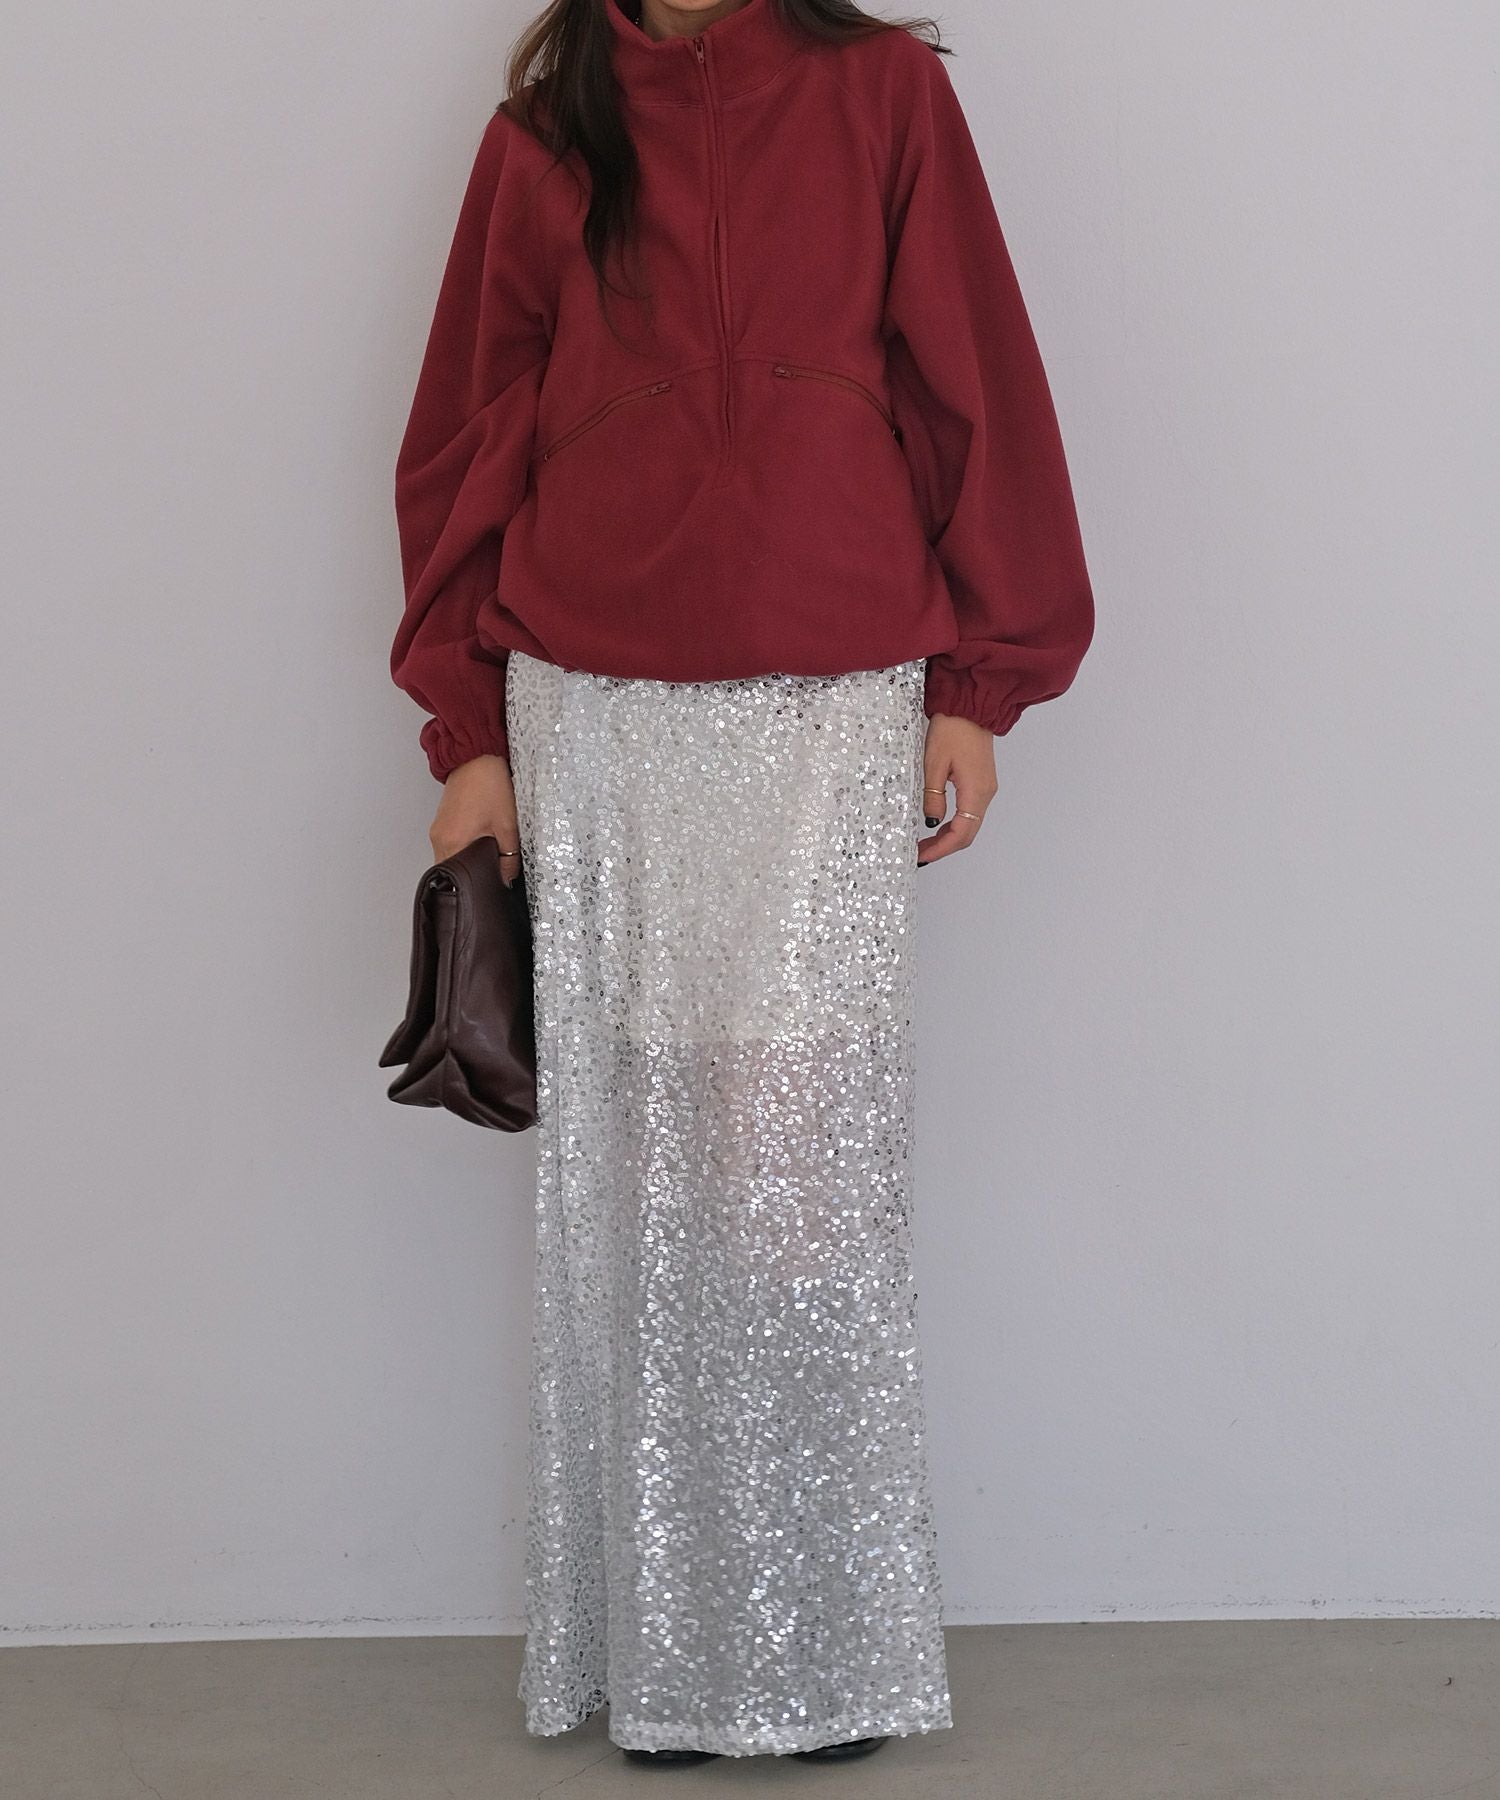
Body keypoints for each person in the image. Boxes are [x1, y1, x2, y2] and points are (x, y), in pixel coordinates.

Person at [390, 0, 1093, 1766]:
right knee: (635, 1194)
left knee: (802, 1181)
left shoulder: (880, 97)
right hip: (594, 709)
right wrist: (469, 731)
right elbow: (468, 430)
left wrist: (975, 683)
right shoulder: (546, 132)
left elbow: (973, 380)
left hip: (826, 702)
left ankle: (818, 1650)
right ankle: (664, 1660)